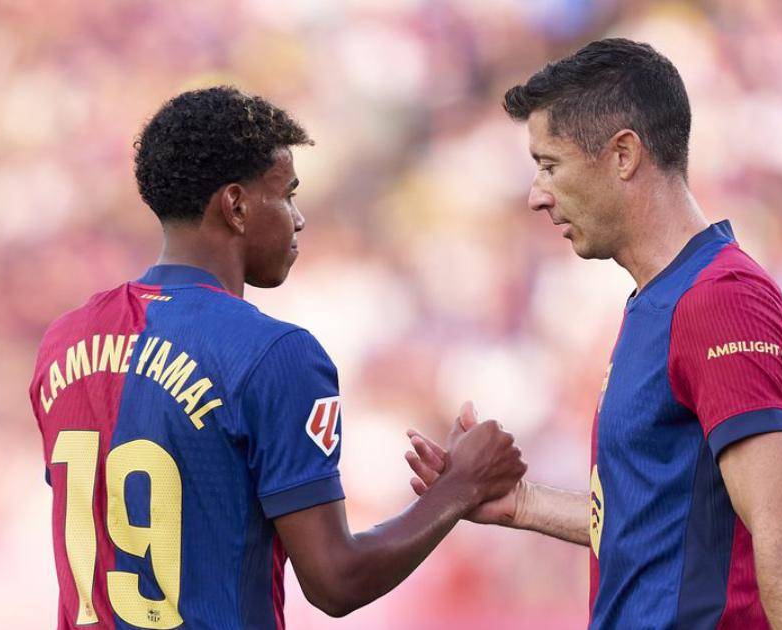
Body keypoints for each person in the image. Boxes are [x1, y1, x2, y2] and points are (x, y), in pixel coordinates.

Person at [29, 86, 526, 629]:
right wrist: (461, 485)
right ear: (237, 206)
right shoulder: (275, 353)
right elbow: (336, 580)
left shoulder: (64, 341)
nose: (299, 218)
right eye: (287, 195)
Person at [405, 39, 782, 629]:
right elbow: (661, 521)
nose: (536, 195)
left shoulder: (720, 298)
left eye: (549, 165)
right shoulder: (657, 301)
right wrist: (522, 504)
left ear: (624, 155)